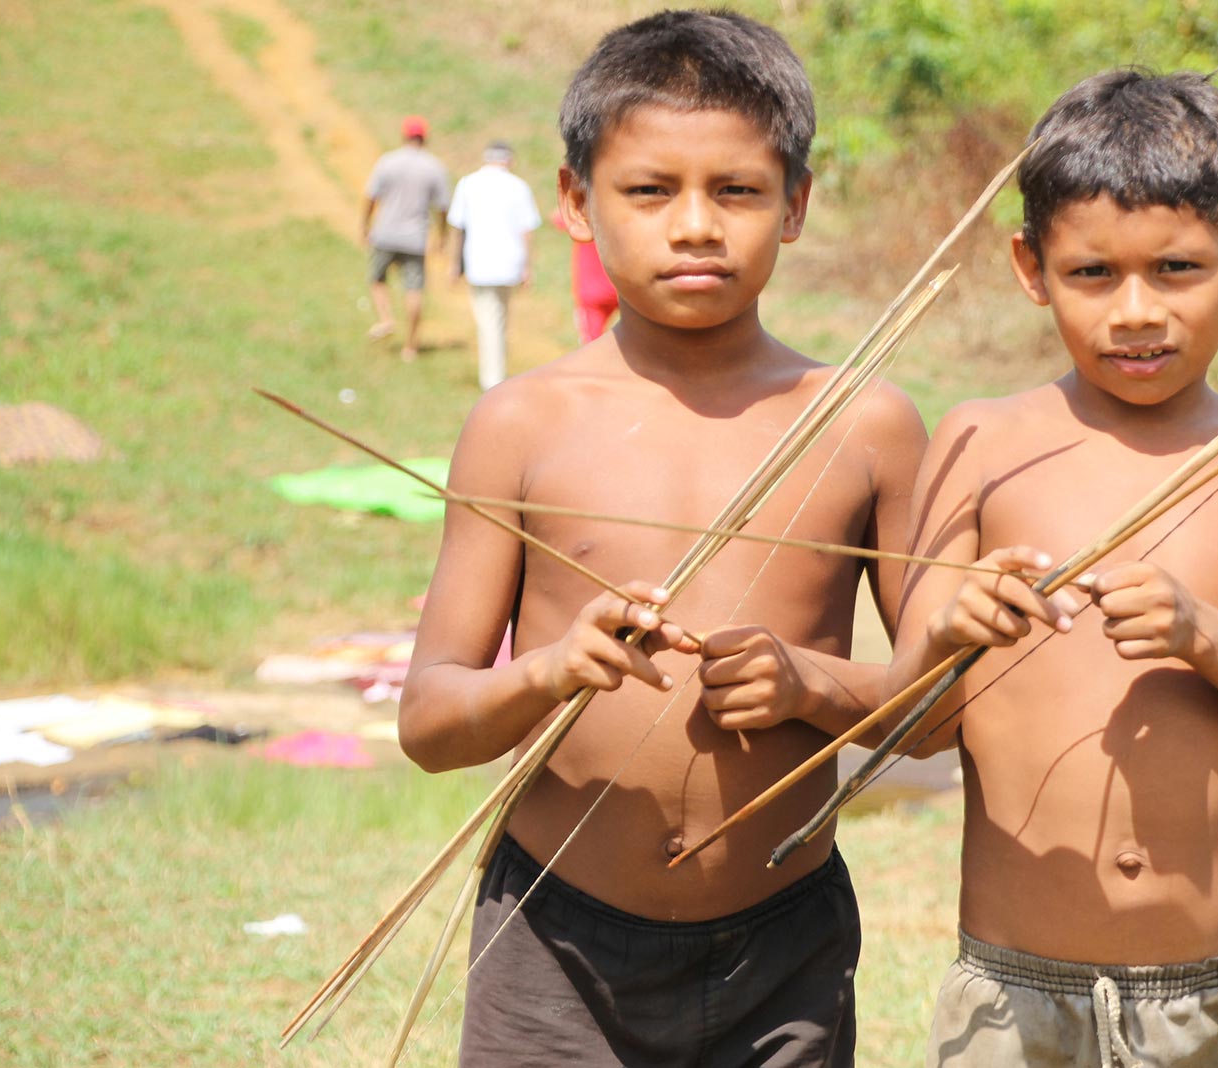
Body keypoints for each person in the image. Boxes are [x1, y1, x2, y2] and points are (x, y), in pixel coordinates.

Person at [397, 12, 926, 1067]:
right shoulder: (520, 425)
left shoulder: (863, 423)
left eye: (736, 191)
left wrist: (809, 685)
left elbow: (944, 713)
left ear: (797, 205)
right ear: (574, 204)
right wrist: (550, 671)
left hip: (785, 941)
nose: (695, 226)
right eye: (649, 191)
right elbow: (429, 723)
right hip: (553, 939)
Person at [889, 69, 1218, 1067]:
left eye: (1177, 269)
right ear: (1031, 267)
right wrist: (949, 635)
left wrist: (1206, 637)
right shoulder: (981, 443)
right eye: (1092, 275)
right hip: (1015, 1004)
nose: (1136, 312)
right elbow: (909, 730)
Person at [449, 141, 542, 389]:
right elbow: (527, 231)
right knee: (498, 318)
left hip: (478, 262)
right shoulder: (519, 186)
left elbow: (458, 228)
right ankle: (495, 374)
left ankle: (492, 380)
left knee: (488, 319)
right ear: (508, 160)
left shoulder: (468, 184)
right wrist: (527, 266)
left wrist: (454, 265)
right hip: (509, 262)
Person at [363, 115, 450, 362]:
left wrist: (364, 225)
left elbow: (370, 196)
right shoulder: (434, 166)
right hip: (415, 237)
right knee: (414, 290)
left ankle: (386, 318)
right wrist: (442, 235)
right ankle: (410, 347)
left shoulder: (387, 162)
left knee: (377, 279)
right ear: (425, 138)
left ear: (404, 136)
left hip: (385, 233)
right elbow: (442, 207)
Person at [559, 208, 621, 341]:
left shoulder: (582, 220)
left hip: (591, 294)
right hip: (620, 289)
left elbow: (558, 218)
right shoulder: (620, 219)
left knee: (590, 343)